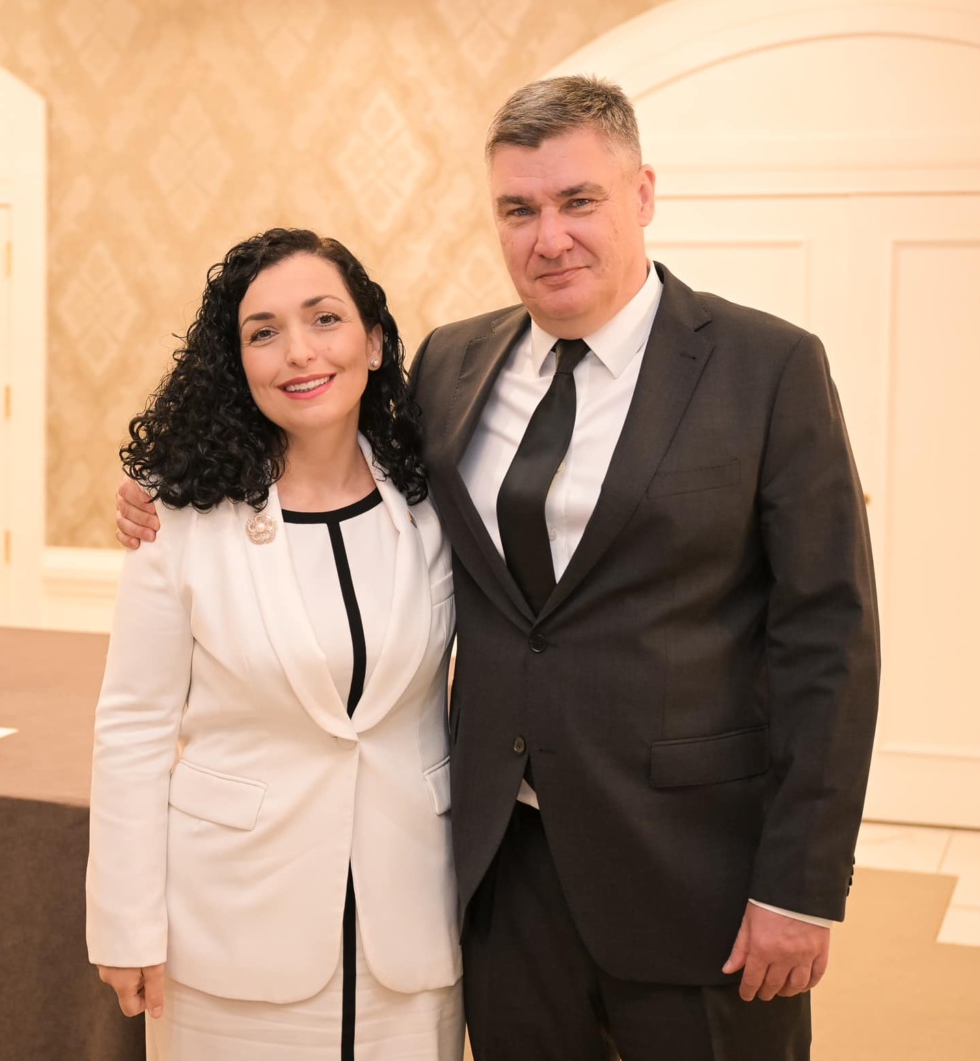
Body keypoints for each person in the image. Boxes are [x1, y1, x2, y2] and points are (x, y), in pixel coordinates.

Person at [119, 77, 880, 1060]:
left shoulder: (766, 367)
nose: (548, 237)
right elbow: (320, 434)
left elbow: (828, 641)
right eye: (518, 210)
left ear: (642, 193)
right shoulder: (453, 363)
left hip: (695, 874)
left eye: (578, 201)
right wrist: (160, 478)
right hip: (498, 873)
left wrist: (800, 885)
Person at [89, 227, 463, 1061]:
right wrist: (124, 923)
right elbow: (134, 726)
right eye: (263, 332)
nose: (298, 352)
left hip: (411, 927)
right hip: (229, 930)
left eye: (325, 318)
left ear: (373, 341)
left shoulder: (435, 501)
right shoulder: (179, 516)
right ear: (238, 362)